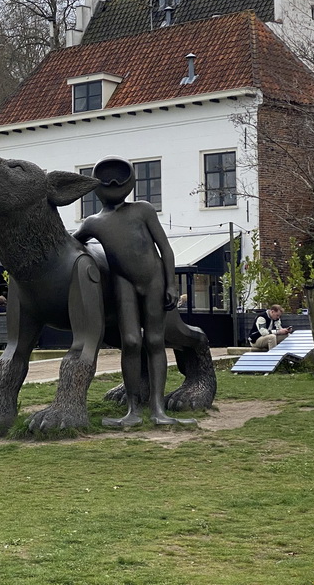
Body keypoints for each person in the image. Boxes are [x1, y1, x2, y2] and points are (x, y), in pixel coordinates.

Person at [73, 155, 191, 427]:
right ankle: (133, 410)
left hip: (153, 279)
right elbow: (71, 246)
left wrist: (171, 283)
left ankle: (158, 409)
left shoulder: (142, 210)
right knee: (131, 341)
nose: (113, 183)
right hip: (123, 281)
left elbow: (165, 248)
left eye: (118, 178)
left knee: (154, 340)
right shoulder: (93, 222)